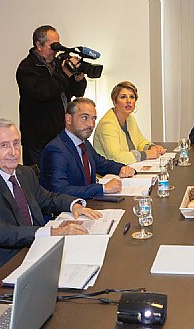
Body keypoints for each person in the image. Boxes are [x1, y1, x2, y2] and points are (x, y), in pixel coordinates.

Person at [0, 119, 102, 270]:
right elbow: (1, 233)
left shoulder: (24, 173)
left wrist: (74, 205)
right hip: (5, 265)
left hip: (37, 250)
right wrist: (54, 232)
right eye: (4, 145)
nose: (13, 152)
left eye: (16, 143)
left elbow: (47, 198)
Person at [16, 25, 87, 166]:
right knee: (39, 181)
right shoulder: (27, 68)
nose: (57, 49)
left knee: (61, 178)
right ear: (39, 45)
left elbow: (76, 92)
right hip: (38, 140)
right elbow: (44, 92)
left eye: (58, 45)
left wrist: (78, 79)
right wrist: (65, 73)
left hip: (61, 135)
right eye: (52, 46)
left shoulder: (59, 64)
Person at [41, 98, 136, 199]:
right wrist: (102, 188)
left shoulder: (84, 143)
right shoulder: (56, 149)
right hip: (65, 211)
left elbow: (102, 164)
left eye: (93, 119)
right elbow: (60, 191)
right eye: (84, 117)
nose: (91, 124)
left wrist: (122, 168)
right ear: (68, 119)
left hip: (87, 205)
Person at [93, 81, 166, 164]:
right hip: (109, 173)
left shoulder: (130, 118)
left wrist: (152, 147)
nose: (128, 101)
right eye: (123, 97)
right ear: (114, 101)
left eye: (132, 97)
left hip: (128, 168)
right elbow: (115, 157)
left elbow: (140, 142)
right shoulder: (107, 124)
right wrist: (146, 154)